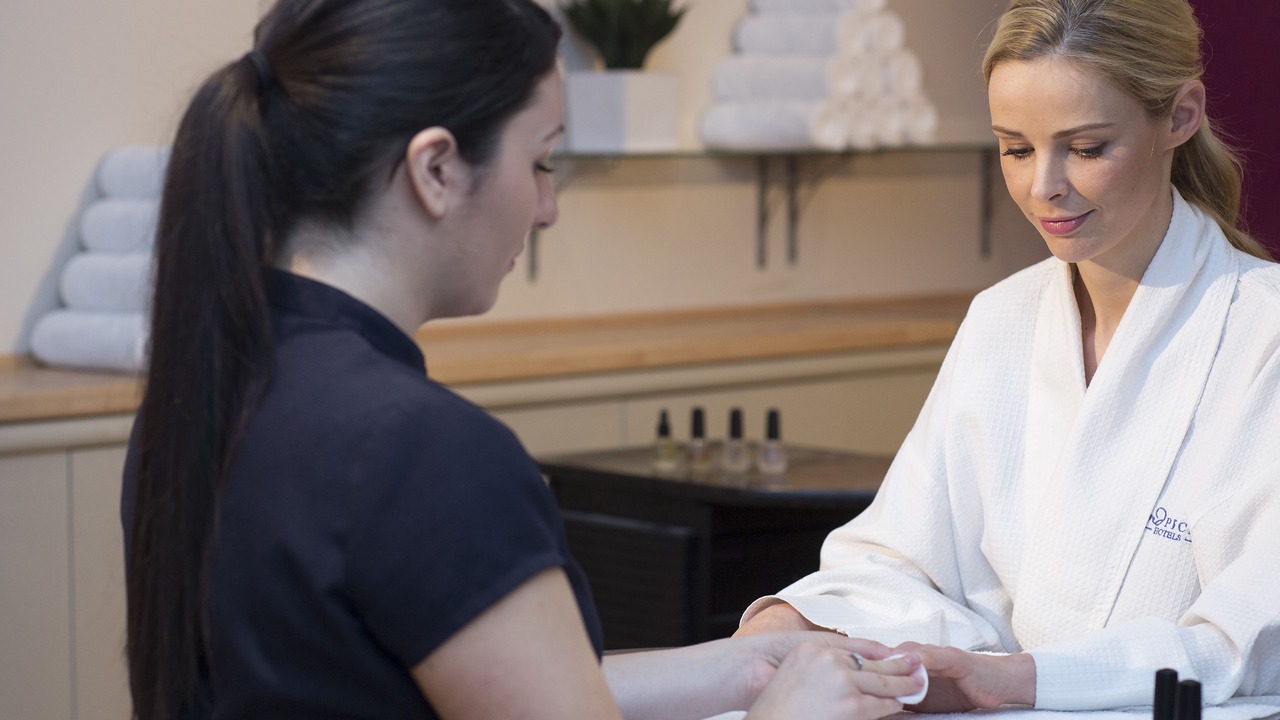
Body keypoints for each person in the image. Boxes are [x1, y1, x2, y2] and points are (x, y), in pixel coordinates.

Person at [119, 1, 927, 719]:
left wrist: (751, 669)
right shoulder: (423, 450)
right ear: (435, 169)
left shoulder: (212, 393)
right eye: (541, 161)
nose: (546, 209)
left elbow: (441, 675)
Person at [735, 0, 1280, 711]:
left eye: (1085, 148)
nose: (1042, 186)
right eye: (1016, 149)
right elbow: (902, 562)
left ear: (1180, 117)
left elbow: (1252, 636)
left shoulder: (1262, 336)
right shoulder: (1004, 319)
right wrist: (801, 621)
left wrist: (1022, 679)